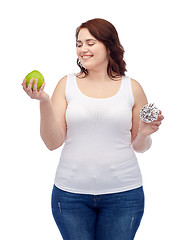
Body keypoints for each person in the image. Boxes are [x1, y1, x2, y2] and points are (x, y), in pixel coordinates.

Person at [22, 18, 164, 240]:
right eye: (79, 44)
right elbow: (52, 143)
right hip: (70, 197)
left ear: (109, 46)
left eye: (90, 43)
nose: (83, 49)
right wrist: (44, 101)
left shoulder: (132, 87)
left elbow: (139, 146)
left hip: (124, 196)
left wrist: (145, 133)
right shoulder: (65, 84)